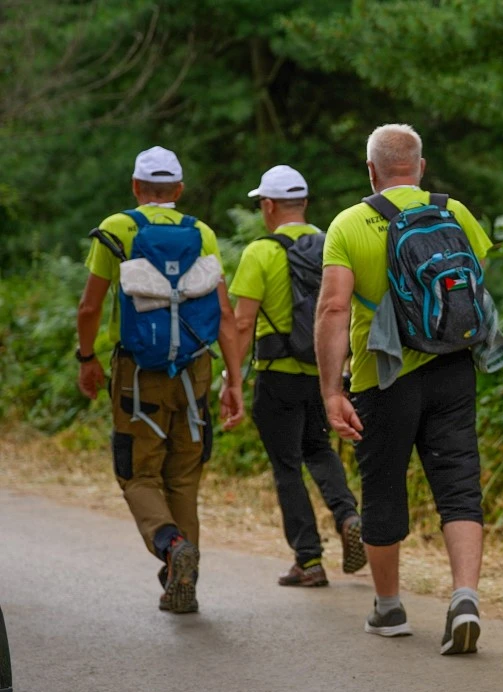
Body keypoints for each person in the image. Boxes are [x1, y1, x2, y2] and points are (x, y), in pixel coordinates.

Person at [315, 124, 491, 654]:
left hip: (381, 377)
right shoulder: (454, 212)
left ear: (371, 171)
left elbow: (333, 307)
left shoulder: (349, 223)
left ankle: (389, 607)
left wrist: (330, 390)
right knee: (459, 484)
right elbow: (476, 283)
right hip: (453, 366)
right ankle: (464, 597)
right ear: (420, 165)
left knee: (384, 486)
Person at [75, 146, 244, 614]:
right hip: (195, 371)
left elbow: (90, 306)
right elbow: (225, 315)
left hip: (138, 374)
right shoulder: (201, 232)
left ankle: (171, 547)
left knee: (138, 472)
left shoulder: (118, 228)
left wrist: (86, 357)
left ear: (135, 187)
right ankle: (181, 580)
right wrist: (233, 380)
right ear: (179, 191)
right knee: (183, 477)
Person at [225, 165, 365, 588]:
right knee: (319, 450)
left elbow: (243, 324)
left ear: (268, 206)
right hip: (322, 374)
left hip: (277, 375)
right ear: (304, 203)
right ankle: (349, 516)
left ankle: (308, 560)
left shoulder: (260, 252)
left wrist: (230, 379)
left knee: (287, 466)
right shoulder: (330, 243)